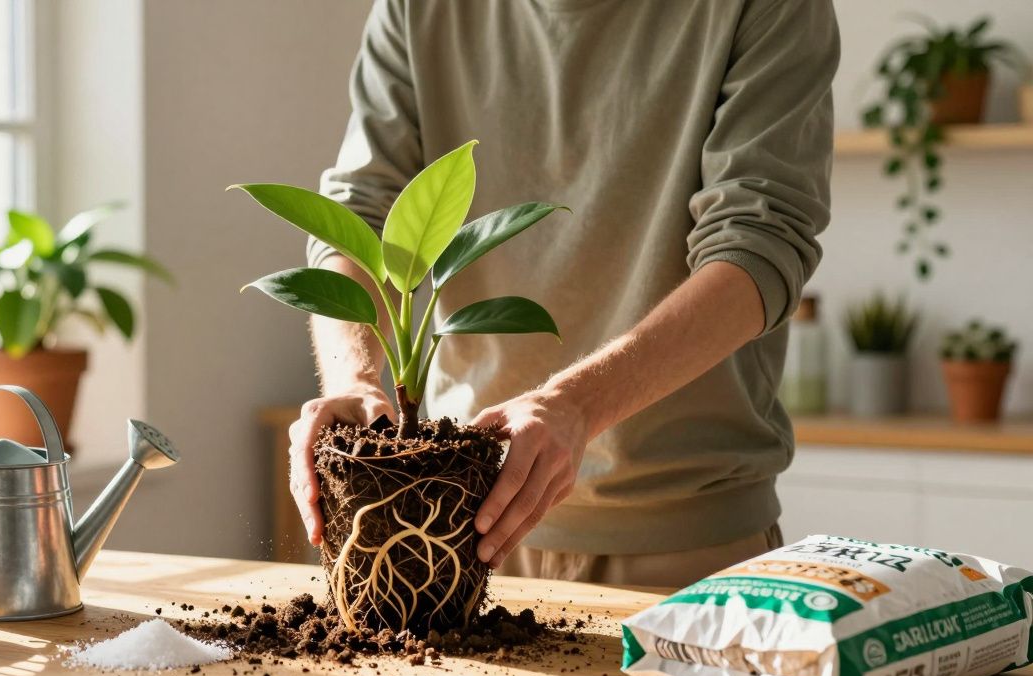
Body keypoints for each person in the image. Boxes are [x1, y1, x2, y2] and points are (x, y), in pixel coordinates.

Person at [289, 0, 839, 588]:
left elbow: (758, 247)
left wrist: (576, 405)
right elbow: (360, 219)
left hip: (680, 530)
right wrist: (353, 378)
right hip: (457, 522)